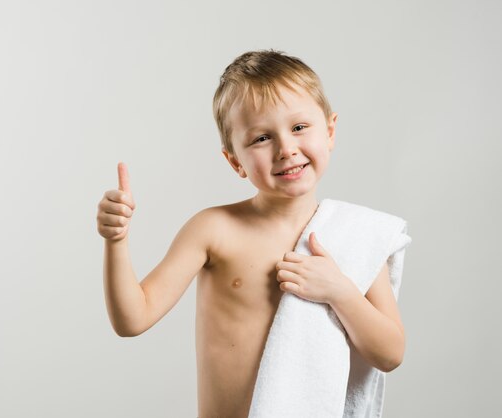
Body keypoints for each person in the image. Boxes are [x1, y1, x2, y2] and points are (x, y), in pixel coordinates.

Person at [96, 49, 405, 417]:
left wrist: (339, 291)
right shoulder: (214, 230)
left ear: (331, 130)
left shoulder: (355, 235)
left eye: (299, 127)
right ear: (234, 160)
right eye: (261, 138)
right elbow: (133, 319)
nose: (286, 149)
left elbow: (390, 354)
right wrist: (116, 241)